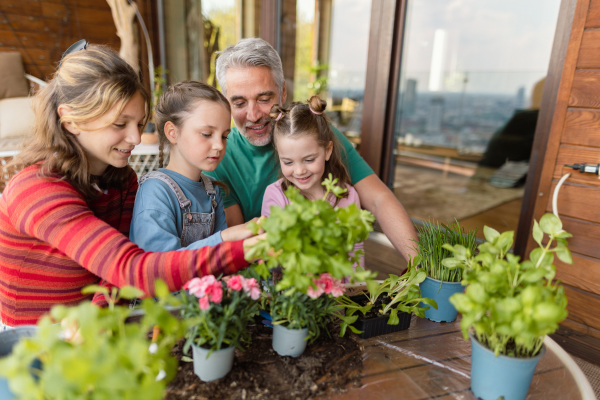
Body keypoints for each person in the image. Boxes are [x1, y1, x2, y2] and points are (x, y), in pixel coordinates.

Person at [0, 43, 261, 328]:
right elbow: (132, 269)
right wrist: (240, 248)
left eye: (139, 123)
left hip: (93, 333)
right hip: (31, 347)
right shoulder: (35, 189)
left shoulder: (122, 181)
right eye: (120, 124)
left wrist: (100, 323)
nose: (136, 138)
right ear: (71, 120)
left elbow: (111, 276)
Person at [205, 37, 417, 263]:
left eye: (264, 99)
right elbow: (243, 244)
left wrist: (419, 266)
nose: (253, 114)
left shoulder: (315, 134)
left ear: (283, 92)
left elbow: (378, 200)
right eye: (239, 104)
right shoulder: (219, 157)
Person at [130, 81, 256, 252]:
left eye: (225, 136)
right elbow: (158, 263)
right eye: (207, 134)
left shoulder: (212, 192)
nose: (219, 145)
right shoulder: (155, 191)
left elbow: (221, 258)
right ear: (172, 133)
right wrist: (224, 238)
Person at [261, 96, 364, 268]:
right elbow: (271, 255)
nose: (299, 171)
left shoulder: (349, 196)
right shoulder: (275, 195)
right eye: (288, 162)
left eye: (309, 160)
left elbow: (355, 254)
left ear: (327, 150)